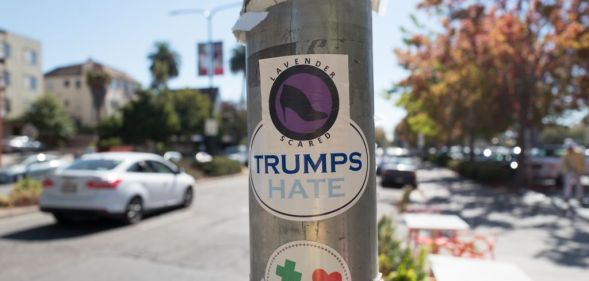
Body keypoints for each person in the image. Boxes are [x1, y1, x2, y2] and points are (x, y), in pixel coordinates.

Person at [561, 139, 585, 205]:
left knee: (579, 184)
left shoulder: (578, 153)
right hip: (569, 170)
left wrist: (581, 170)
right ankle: (567, 197)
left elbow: (582, 162)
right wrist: (565, 171)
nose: (569, 149)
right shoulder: (566, 154)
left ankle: (579, 197)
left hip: (577, 170)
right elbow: (564, 163)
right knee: (568, 184)